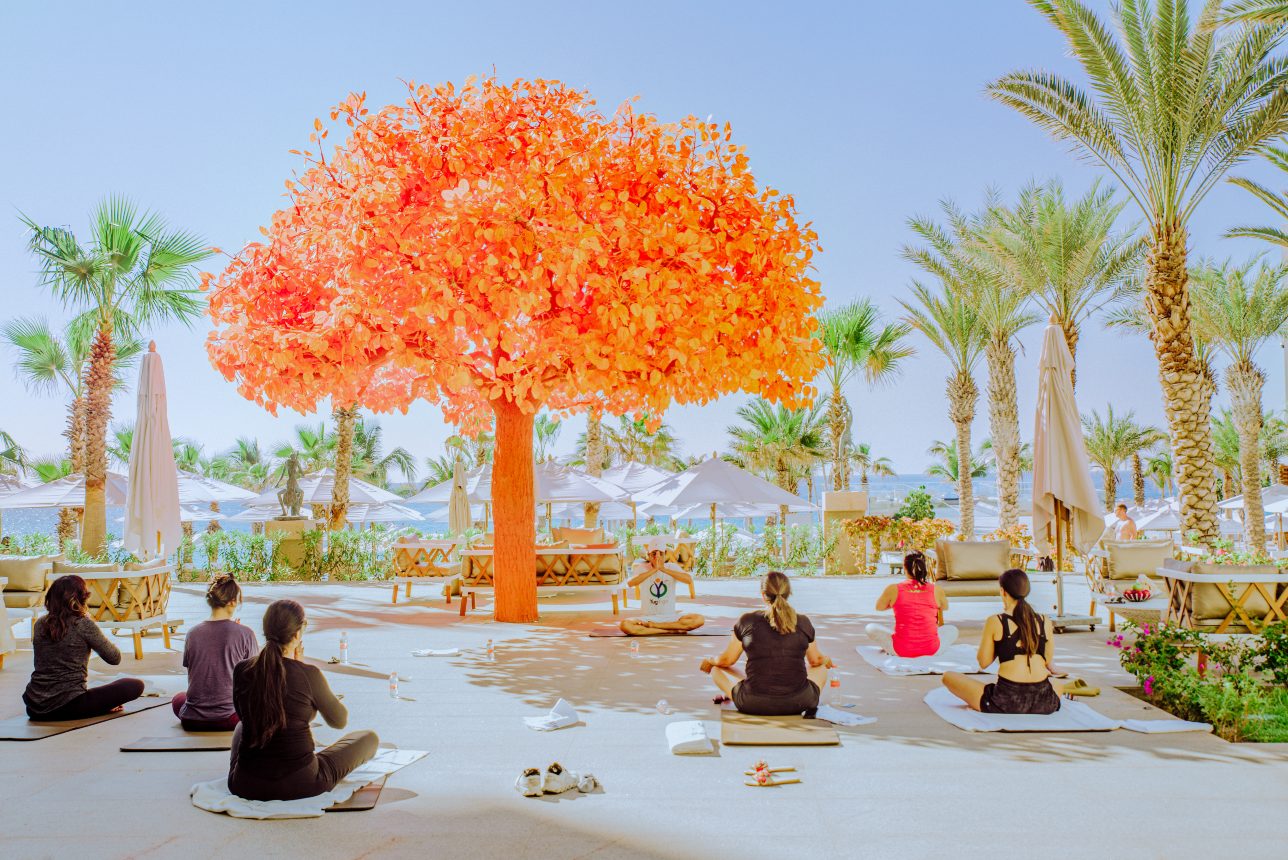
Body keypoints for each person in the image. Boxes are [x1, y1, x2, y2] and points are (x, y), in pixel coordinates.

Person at [228, 599, 378, 801]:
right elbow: (339, 720)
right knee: (368, 738)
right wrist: (302, 668)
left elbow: (244, 714)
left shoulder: (242, 669)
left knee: (241, 727)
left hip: (245, 784)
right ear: (298, 634)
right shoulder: (309, 674)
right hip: (302, 783)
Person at [699, 571, 831, 716]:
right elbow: (815, 660)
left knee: (717, 669)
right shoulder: (803, 621)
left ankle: (745, 690)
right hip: (801, 702)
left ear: (763, 595)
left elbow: (726, 660)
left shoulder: (747, 621)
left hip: (753, 703)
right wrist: (826, 660)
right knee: (821, 667)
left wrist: (711, 661)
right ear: (788, 594)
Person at [22, 575, 145, 720]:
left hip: (34, 707)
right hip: (69, 705)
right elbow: (114, 658)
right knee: (134, 685)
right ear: (81, 598)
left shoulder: (40, 624)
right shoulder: (82, 624)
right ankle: (99, 707)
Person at [942, 569, 1060, 715]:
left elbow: (983, 662)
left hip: (1005, 701)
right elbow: (1047, 659)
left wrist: (1002, 647)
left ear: (1003, 592)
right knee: (1058, 684)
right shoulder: (1045, 621)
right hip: (1044, 702)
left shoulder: (995, 621)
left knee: (948, 677)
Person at [171, 573, 258, 731]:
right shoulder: (245, 633)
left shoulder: (192, 633)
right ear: (232, 602)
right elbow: (253, 678)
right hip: (230, 719)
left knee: (179, 698)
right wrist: (238, 632)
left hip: (192, 720)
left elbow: (194, 670)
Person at [866, 550, 958, 658]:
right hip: (932, 650)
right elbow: (944, 607)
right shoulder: (936, 590)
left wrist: (898, 604)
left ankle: (899, 645)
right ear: (924, 568)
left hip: (901, 650)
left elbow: (879, 607)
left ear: (905, 568)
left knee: (870, 628)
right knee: (952, 629)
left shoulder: (893, 589)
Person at [619, 535, 704, 635]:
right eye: (654, 554)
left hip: (670, 617)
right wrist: (654, 570)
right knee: (625, 625)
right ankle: (671, 630)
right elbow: (630, 583)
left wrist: (663, 569)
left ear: (665, 555)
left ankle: (655, 628)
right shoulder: (642, 568)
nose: (657, 557)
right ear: (649, 555)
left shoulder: (672, 567)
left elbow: (688, 580)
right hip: (648, 618)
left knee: (699, 619)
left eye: (660, 554)